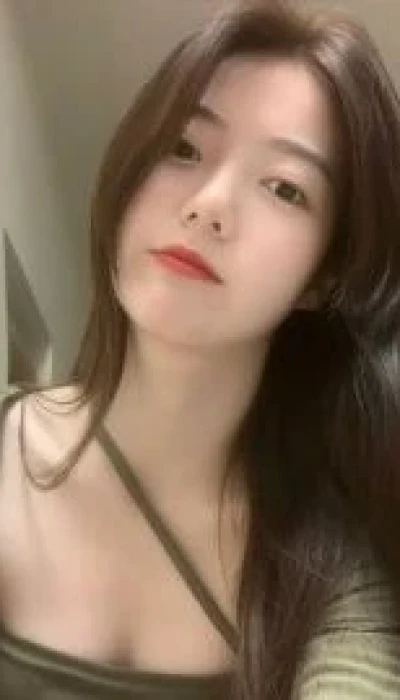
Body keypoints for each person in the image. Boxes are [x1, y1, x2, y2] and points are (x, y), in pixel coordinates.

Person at [1, 0, 400, 697]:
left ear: (324, 277)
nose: (210, 204)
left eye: (285, 188)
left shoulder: (333, 572)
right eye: (183, 148)